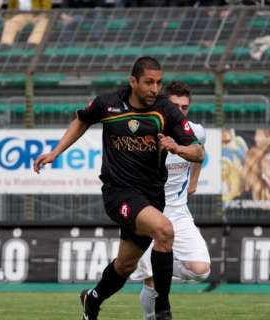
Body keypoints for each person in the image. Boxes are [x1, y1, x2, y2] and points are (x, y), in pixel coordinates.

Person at [34, 57, 204, 320]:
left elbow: (198, 151)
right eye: (148, 82)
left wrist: (178, 147)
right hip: (118, 193)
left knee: (124, 266)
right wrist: (56, 152)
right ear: (133, 81)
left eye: (158, 83)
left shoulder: (165, 112)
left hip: (151, 198)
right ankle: (163, 310)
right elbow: (82, 119)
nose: (154, 89)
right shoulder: (108, 104)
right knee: (164, 229)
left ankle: (92, 298)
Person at [130, 81, 211, 320]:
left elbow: (200, 152)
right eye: (174, 105)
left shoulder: (196, 131)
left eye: (184, 107)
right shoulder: (144, 132)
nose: (180, 111)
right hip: (148, 211)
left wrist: (194, 182)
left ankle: (158, 263)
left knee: (201, 270)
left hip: (178, 211)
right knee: (152, 280)